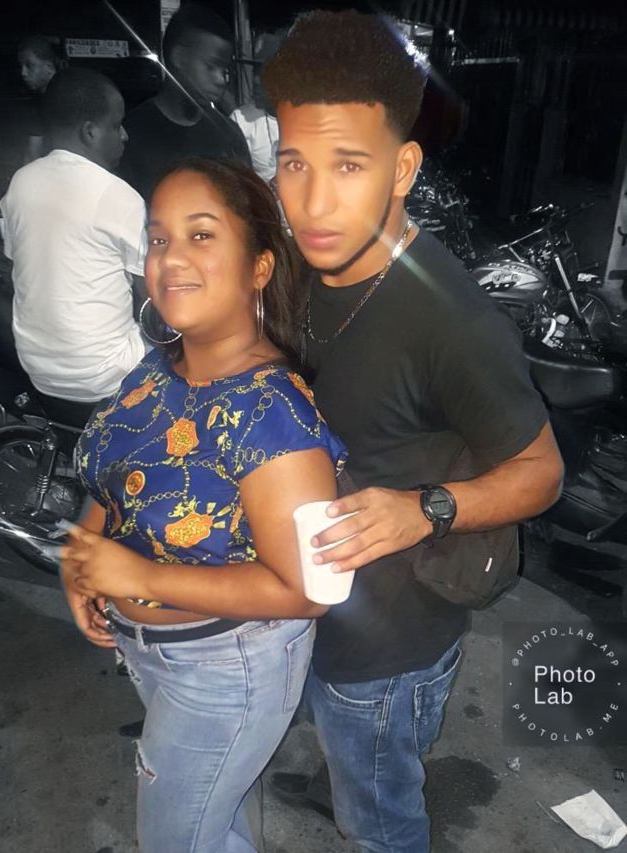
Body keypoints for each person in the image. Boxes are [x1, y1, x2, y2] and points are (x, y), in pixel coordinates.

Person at [263, 10, 565, 852]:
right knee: (351, 757)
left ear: (402, 169)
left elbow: (542, 471)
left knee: (381, 813)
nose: (312, 202)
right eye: (294, 163)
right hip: (310, 604)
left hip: (388, 647)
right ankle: (343, 780)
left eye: (347, 165)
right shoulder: (301, 266)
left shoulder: (452, 321)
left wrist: (423, 508)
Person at [61, 158, 346, 853]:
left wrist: (139, 577)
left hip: (225, 669)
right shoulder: (158, 366)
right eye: (158, 239)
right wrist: (83, 560)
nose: (171, 258)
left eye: (201, 235)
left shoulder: (272, 415)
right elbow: (118, 473)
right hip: (155, 654)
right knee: (213, 818)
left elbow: (310, 592)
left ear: (258, 267)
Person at [0, 68, 148, 428]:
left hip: (38, 369)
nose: (125, 136)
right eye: (117, 125)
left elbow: (17, 262)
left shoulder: (20, 183)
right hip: (104, 377)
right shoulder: (119, 195)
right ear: (90, 131)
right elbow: (151, 295)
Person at [120, 4, 251, 200]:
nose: (221, 79)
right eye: (211, 66)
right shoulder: (128, 136)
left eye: (224, 70)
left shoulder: (230, 134)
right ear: (179, 58)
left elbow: (248, 204)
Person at [231, 35, 280, 183]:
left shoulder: (307, 119)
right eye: (255, 72)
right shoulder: (240, 120)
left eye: (265, 74)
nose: (256, 80)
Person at [18, 35, 67, 162]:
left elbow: (32, 155)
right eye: (21, 66)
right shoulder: (68, 93)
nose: (23, 73)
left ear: (49, 67)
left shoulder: (43, 105)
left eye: (29, 66)